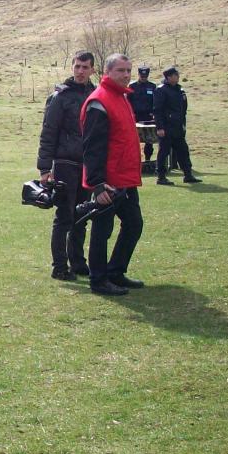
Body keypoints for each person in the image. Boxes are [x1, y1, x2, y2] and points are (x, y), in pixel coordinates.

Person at [81, 53, 145, 296]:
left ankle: (115, 271)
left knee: (134, 224)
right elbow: (92, 147)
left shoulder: (122, 97)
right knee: (102, 229)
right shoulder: (100, 101)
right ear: (107, 72)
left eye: (128, 70)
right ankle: (98, 280)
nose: (126, 75)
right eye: (120, 70)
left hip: (125, 178)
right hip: (108, 181)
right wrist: (97, 184)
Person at [35, 51, 95, 280]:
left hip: (86, 164)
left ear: (92, 70)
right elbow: (48, 132)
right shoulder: (60, 96)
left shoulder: (95, 94)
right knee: (64, 216)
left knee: (82, 215)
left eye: (85, 67)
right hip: (65, 163)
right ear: (72, 67)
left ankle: (78, 262)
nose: (80, 71)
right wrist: (44, 168)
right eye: (77, 66)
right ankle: (60, 266)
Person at [154, 66, 202, 185]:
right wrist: (160, 127)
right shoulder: (161, 90)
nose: (178, 77)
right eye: (175, 75)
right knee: (164, 152)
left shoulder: (179, 89)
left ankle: (188, 174)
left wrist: (182, 124)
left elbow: (183, 109)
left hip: (178, 126)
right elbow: (157, 110)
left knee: (183, 151)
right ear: (168, 77)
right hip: (166, 127)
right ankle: (161, 177)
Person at [128, 64, 158, 173]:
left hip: (148, 117)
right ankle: (134, 161)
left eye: (145, 76)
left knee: (149, 140)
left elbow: (155, 102)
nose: (143, 78)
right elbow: (128, 102)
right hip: (135, 117)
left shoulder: (152, 86)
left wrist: (154, 113)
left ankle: (148, 160)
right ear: (139, 75)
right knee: (133, 140)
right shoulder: (132, 87)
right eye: (142, 76)